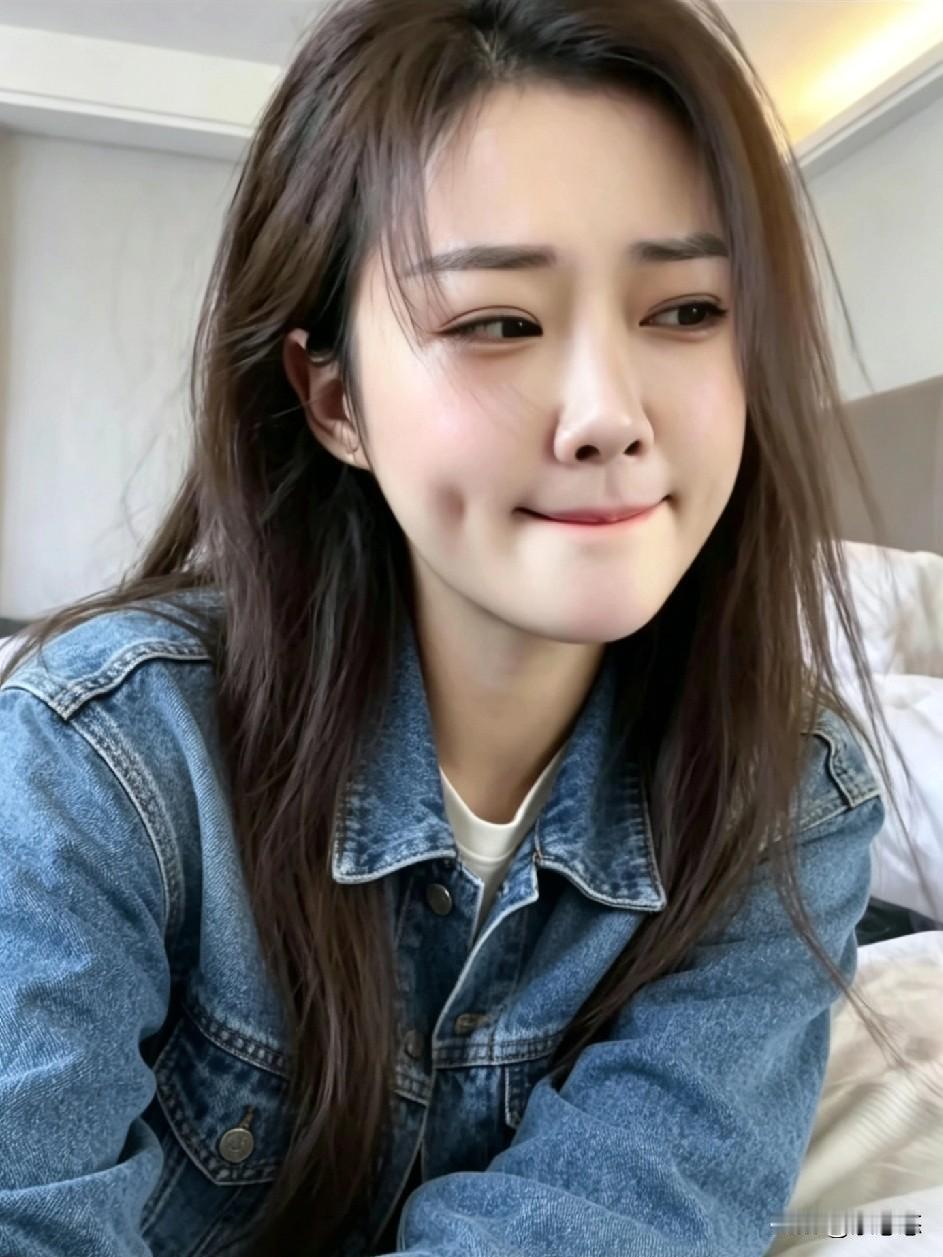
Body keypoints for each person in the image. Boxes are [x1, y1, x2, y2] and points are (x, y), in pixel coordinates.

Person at [0, 1, 928, 1254]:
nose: (609, 415)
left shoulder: (782, 801)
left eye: (686, 311)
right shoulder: (94, 765)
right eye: (498, 323)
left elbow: (624, 1215)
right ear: (335, 402)